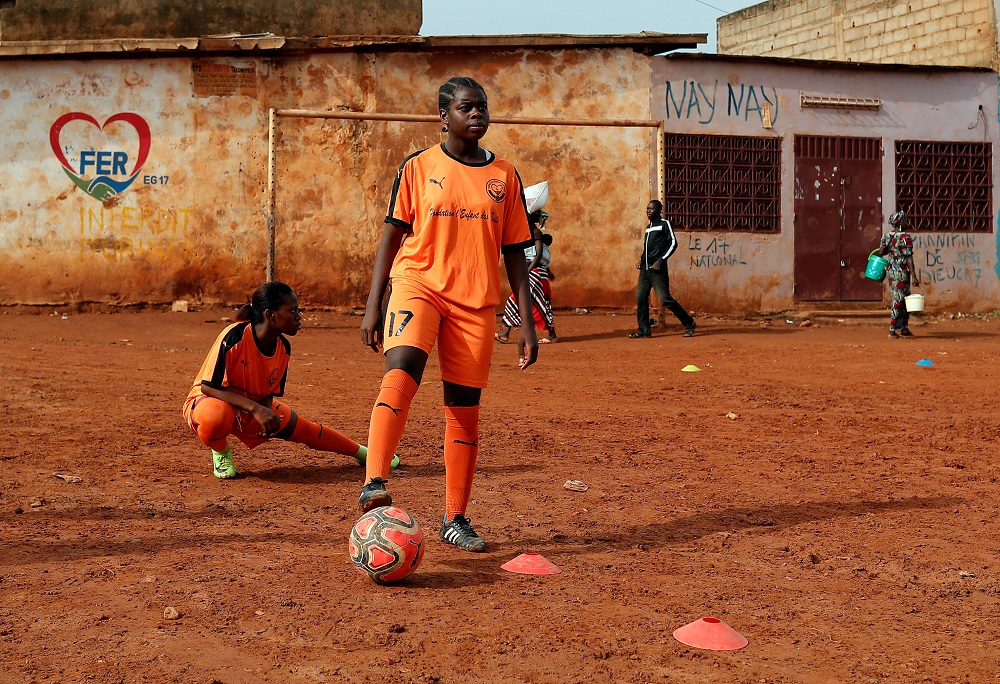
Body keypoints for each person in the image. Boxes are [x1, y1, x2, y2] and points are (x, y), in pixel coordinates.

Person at [357, 76, 538, 552]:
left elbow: (517, 250)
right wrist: (374, 303)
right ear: (444, 116)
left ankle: (455, 519)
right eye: (465, 107)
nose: (476, 114)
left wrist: (525, 320)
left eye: (482, 107)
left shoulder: (505, 175)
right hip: (418, 285)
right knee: (404, 369)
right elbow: (391, 237)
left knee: (463, 408)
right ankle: (375, 479)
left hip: (475, 303)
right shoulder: (418, 167)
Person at [183, 281, 396, 479]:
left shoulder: (283, 347)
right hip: (209, 402)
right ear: (271, 315)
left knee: (307, 430)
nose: (299, 316)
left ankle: (365, 453)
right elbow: (209, 387)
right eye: (292, 310)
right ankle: (220, 451)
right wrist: (258, 410)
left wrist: (267, 414)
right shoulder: (234, 337)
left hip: (250, 407)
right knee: (214, 416)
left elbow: (268, 393)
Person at [628, 199, 696, 339]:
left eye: (651, 209)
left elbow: (673, 243)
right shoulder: (649, 227)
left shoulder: (665, 224)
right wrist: (642, 261)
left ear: (659, 210)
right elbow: (648, 248)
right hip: (645, 270)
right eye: (647, 209)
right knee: (641, 299)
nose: (648, 211)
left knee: (665, 299)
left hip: (657, 271)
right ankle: (644, 330)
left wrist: (661, 260)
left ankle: (689, 323)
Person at [496, 209, 557, 344]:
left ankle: (505, 333)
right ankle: (552, 334)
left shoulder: (535, 233)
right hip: (539, 273)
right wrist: (547, 270)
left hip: (534, 273)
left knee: (515, 300)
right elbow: (540, 255)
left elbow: (538, 254)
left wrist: (526, 272)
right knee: (542, 303)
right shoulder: (529, 234)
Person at [876, 210, 920, 338]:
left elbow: (881, 252)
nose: (908, 222)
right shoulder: (905, 237)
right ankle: (892, 330)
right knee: (899, 300)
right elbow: (908, 258)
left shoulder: (886, 236)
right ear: (900, 222)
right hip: (901, 271)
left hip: (890, 271)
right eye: (906, 220)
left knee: (904, 299)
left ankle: (904, 328)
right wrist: (914, 276)